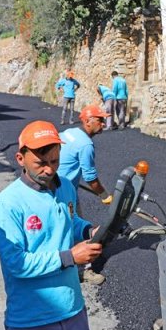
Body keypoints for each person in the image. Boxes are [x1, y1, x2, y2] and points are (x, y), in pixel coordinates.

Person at [0, 121, 103, 330]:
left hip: (73, 314)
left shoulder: (65, 186)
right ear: (21, 158)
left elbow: (71, 217)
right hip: (31, 324)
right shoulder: (8, 203)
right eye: (41, 162)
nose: (49, 169)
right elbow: (17, 263)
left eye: (54, 161)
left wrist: (85, 228)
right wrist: (70, 257)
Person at [58, 105, 111, 285]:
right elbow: (91, 178)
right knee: (75, 225)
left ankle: (69, 259)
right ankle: (83, 269)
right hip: (63, 191)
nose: (103, 124)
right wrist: (105, 196)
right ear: (87, 121)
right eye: (100, 120)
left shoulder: (70, 132)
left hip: (55, 184)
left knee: (68, 224)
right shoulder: (86, 144)